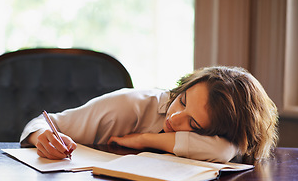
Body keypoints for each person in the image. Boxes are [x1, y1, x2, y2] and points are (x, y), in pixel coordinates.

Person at [20, 66, 279, 163]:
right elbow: (45, 121)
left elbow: (225, 151)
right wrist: (41, 136)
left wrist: (146, 140)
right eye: (183, 100)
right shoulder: (128, 105)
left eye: (194, 123)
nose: (175, 118)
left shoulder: (227, 141)